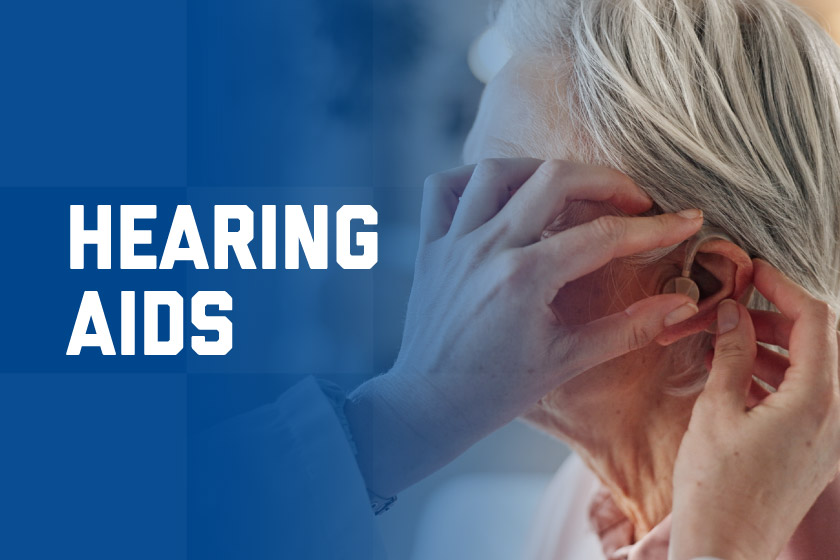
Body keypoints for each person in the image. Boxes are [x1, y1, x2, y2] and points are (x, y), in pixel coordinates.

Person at [189, 1, 840, 559]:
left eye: (517, 213)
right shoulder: (585, 498)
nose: (454, 258)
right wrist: (405, 410)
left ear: (698, 285)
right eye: (472, 195)